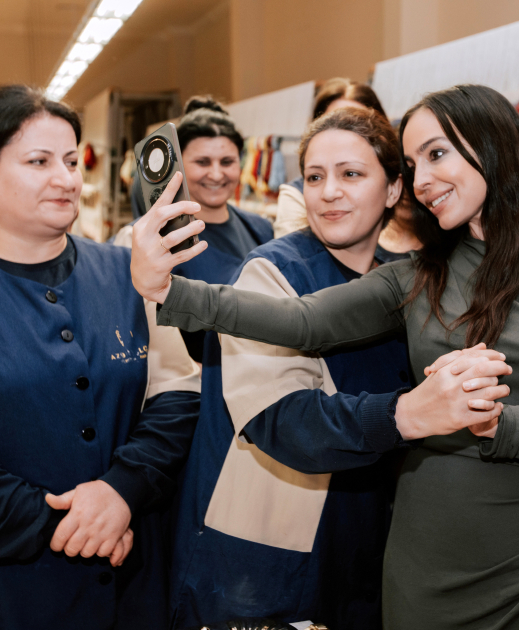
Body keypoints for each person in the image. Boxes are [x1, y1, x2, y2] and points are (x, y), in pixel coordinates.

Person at [132, 84, 519, 630]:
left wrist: (498, 423)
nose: (423, 181)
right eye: (415, 164)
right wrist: (170, 291)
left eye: (437, 154)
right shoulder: (419, 275)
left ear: (493, 144)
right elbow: (301, 320)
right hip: (427, 554)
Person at [0, 85, 200, 629]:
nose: (66, 178)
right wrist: (70, 525)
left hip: (128, 588)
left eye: (72, 161)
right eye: (39, 161)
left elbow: (178, 393)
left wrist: (122, 490)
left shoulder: (129, 271)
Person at [172, 106, 465, 629]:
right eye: (314, 177)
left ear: (394, 189)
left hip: (359, 548)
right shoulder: (271, 274)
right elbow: (284, 423)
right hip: (264, 557)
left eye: (351, 174)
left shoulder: (402, 284)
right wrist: (407, 413)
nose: (329, 192)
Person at [117, 101, 272, 363]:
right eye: (202, 162)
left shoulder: (261, 228)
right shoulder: (152, 238)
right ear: (179, 165)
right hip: (197, 381)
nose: (216, 174)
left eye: (227, 162)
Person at [274, 78, 420, 255]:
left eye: (361, 124)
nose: (344, 133)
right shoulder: (296, 196)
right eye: (314, 178)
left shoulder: (407, 195)